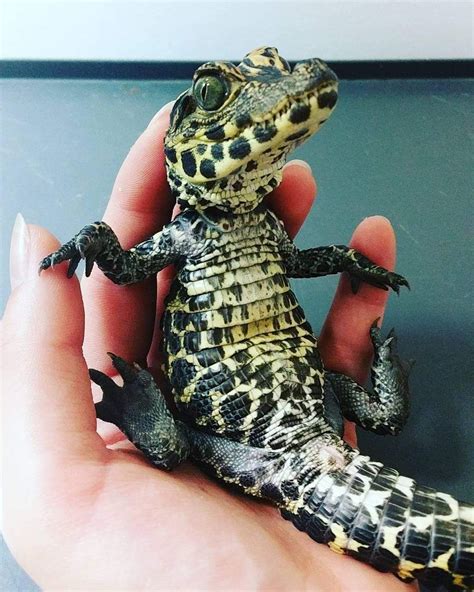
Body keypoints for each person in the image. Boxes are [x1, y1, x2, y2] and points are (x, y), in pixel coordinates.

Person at [2, 104, 415, 591]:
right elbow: (125, 269)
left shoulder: (266, 225)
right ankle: (149, 421)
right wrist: (96, 238)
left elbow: (297, 261)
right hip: (257, 453)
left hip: (308, 424)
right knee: (174, 448)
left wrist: (349, 260)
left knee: (377, 415)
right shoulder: (185, 230)